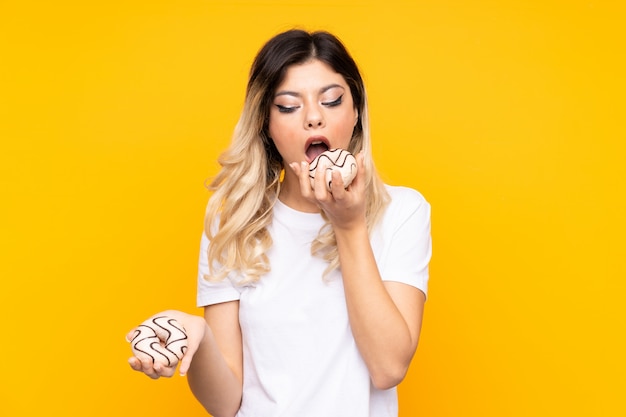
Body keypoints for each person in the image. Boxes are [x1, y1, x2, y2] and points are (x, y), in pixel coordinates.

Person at [127, 29, 432, 417]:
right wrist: (199, 338)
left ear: (356, 113)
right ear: (266, 127)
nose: (314, 117)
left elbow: (389, 368)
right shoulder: (232, 218)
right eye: (288, 106)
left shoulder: (402, 212)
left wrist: (349, 225)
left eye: (332, 100)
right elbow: (226, 403)